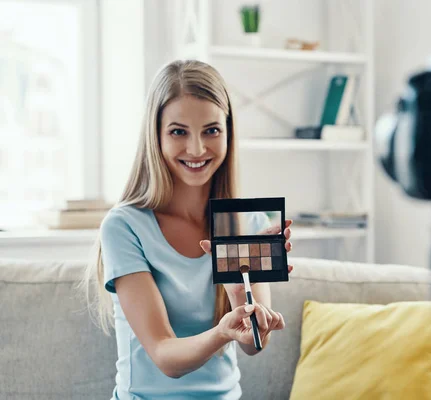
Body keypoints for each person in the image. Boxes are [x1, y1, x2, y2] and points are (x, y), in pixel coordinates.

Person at [82, 59, 293, 400]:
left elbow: (256, 344)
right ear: (156, 135)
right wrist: (222, 332)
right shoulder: (125, 227)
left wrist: (243, 301)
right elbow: (165, 355)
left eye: (211, 130)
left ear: (228, 132)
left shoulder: (248, 223)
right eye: (179, 131)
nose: (196, 149)